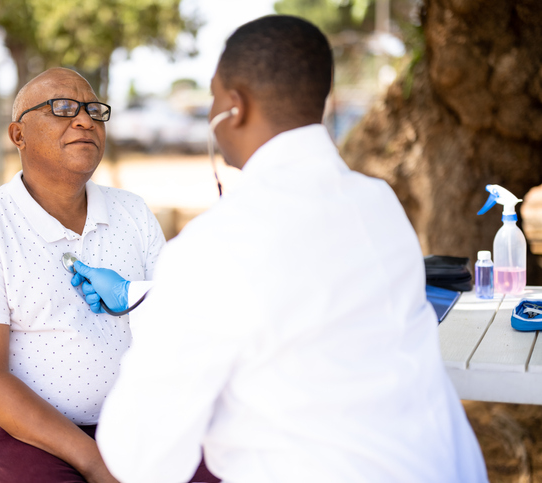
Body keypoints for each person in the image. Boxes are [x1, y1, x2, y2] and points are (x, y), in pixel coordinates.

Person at [71, 16, 489, 483]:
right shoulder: (378, 204)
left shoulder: (211, 246)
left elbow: (140, 457)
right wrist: (142, 295)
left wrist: (157, 316)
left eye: (213, 95)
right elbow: (302, 303)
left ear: (235, 106)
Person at [0, 67, 174, 483]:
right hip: (24, 436)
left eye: (94, 110)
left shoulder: (133, 213)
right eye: (62, 108)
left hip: (138, 422)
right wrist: (95, 462)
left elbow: (178, 325)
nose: (84, 120)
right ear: (18, 136)